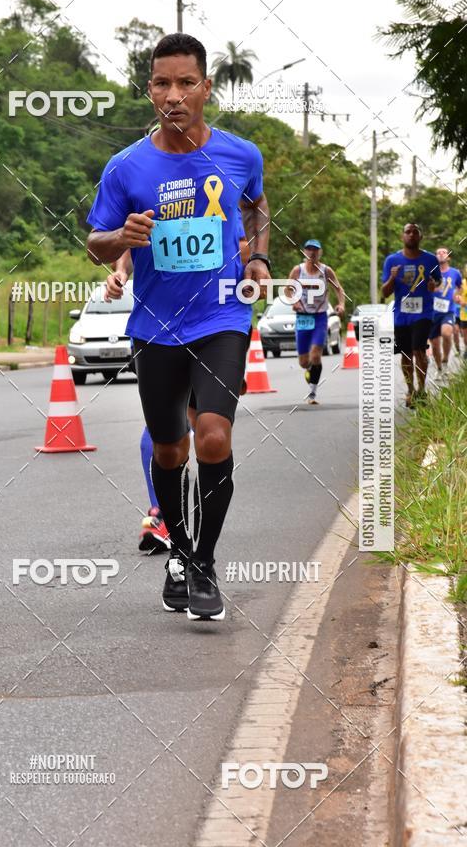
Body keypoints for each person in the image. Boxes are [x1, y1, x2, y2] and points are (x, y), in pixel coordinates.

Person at [87, 32, 270, 621]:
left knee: (213, 435)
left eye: (186, 82)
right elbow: (96, 242)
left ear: (205, 89)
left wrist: (258, 258)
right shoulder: (126, 168)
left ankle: (203, 564)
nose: (174, 95)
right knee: (170, 449)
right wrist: (123, 238)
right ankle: (180, 551)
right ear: (149, 92)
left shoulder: (241, 154)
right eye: (162, 84)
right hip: (155, 327)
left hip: (222, 315)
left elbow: (257, 205)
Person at [106, 229, 252, 556]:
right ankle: (163, 514)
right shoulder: (155, 187)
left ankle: (190, 524)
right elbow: (132, 242)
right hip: (159, 328)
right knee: (169, 433)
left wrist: (254, 258)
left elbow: (246, 238)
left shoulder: (224, 188)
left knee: (206, 430)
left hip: (215, 325)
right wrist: (120, 271)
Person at [381, 223, 441, 407]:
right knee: (406, 353)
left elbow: (436, 281)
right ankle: (410, 390)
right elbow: (384, 292)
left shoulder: (430, 260)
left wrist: (433, 285)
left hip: (423, 313)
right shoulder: (392, 260)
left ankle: (421, 390)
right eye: (408, 232)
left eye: (415, 232)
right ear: (403, 236)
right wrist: (392, 277)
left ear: (420, 236)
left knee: (418, 350)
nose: (411, 235)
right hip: (401, 315)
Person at [286, 239, 345, 405]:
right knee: (304, 362)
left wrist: (341, 304)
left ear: (320, 252)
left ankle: (312, 393)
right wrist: (294, 302)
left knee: (316, 355)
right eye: (309, 249)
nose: (312, 252)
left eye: (315, 250)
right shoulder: (298, 270)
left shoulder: (326, 271)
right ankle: (309, 371)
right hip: (303, 317)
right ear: (304, 252)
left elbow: (338, 289)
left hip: (320, 316)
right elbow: (288, 289)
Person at [429, 248, 462, 384]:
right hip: (431, 312)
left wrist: (457, 295)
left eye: (444, 252)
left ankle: (445, 360)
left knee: (447, 333)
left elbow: (460, 286)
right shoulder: (430, 272)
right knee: (435, 344)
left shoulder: (455, 273)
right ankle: (439, 368)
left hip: (448, 310)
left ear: (448, 257)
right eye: (438, 252)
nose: (441, 254)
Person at [459, 264, 467, 359]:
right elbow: (457, 294)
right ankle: (466, 348)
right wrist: (459, 299)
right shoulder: (462, 283)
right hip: (465, 313)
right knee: (465, 335)